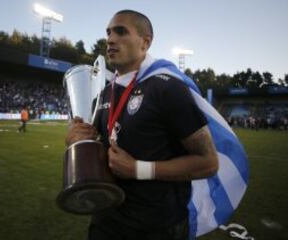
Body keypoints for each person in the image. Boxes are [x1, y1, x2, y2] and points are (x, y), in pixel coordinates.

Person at [65, 10, 219, 240]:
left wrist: (139, 169)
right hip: (106, 220)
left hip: (157, 227)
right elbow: (97, 145)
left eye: (121, 31)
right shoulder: (104, 93)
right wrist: (76, 140)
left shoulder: (168, 89)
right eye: (108, 33)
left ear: (145, 42)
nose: (110, 39)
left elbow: (208, 163)